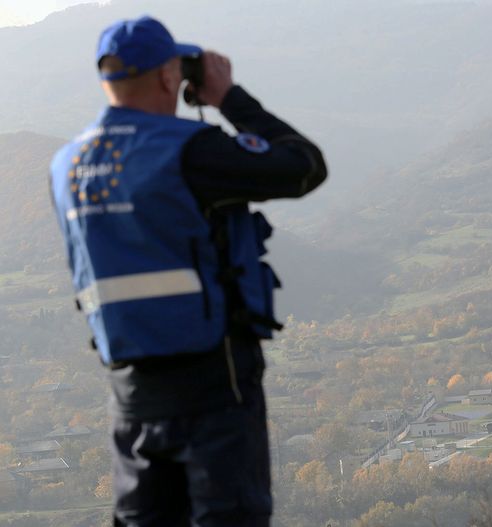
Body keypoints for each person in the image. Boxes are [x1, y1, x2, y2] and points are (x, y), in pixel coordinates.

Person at [48, 15, 327, 526]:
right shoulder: (186, 151)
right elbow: (304, 165)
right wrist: (229, 99)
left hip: (131, 395)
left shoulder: (65, 166)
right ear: (166, 76)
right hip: (213, 387)